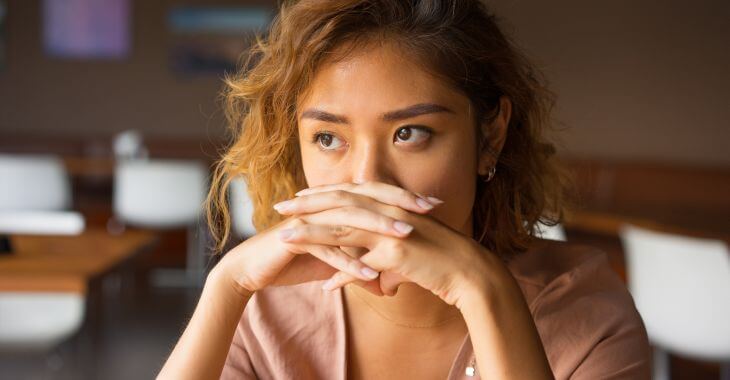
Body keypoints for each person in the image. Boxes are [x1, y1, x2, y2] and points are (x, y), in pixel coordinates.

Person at [158, 0, 651, 379]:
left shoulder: (589, 314)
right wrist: (227, 286)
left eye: (410, 133)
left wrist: (483, 289)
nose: (367, 181)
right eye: (328, 138)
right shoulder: (264, 308)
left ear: (490, 136)